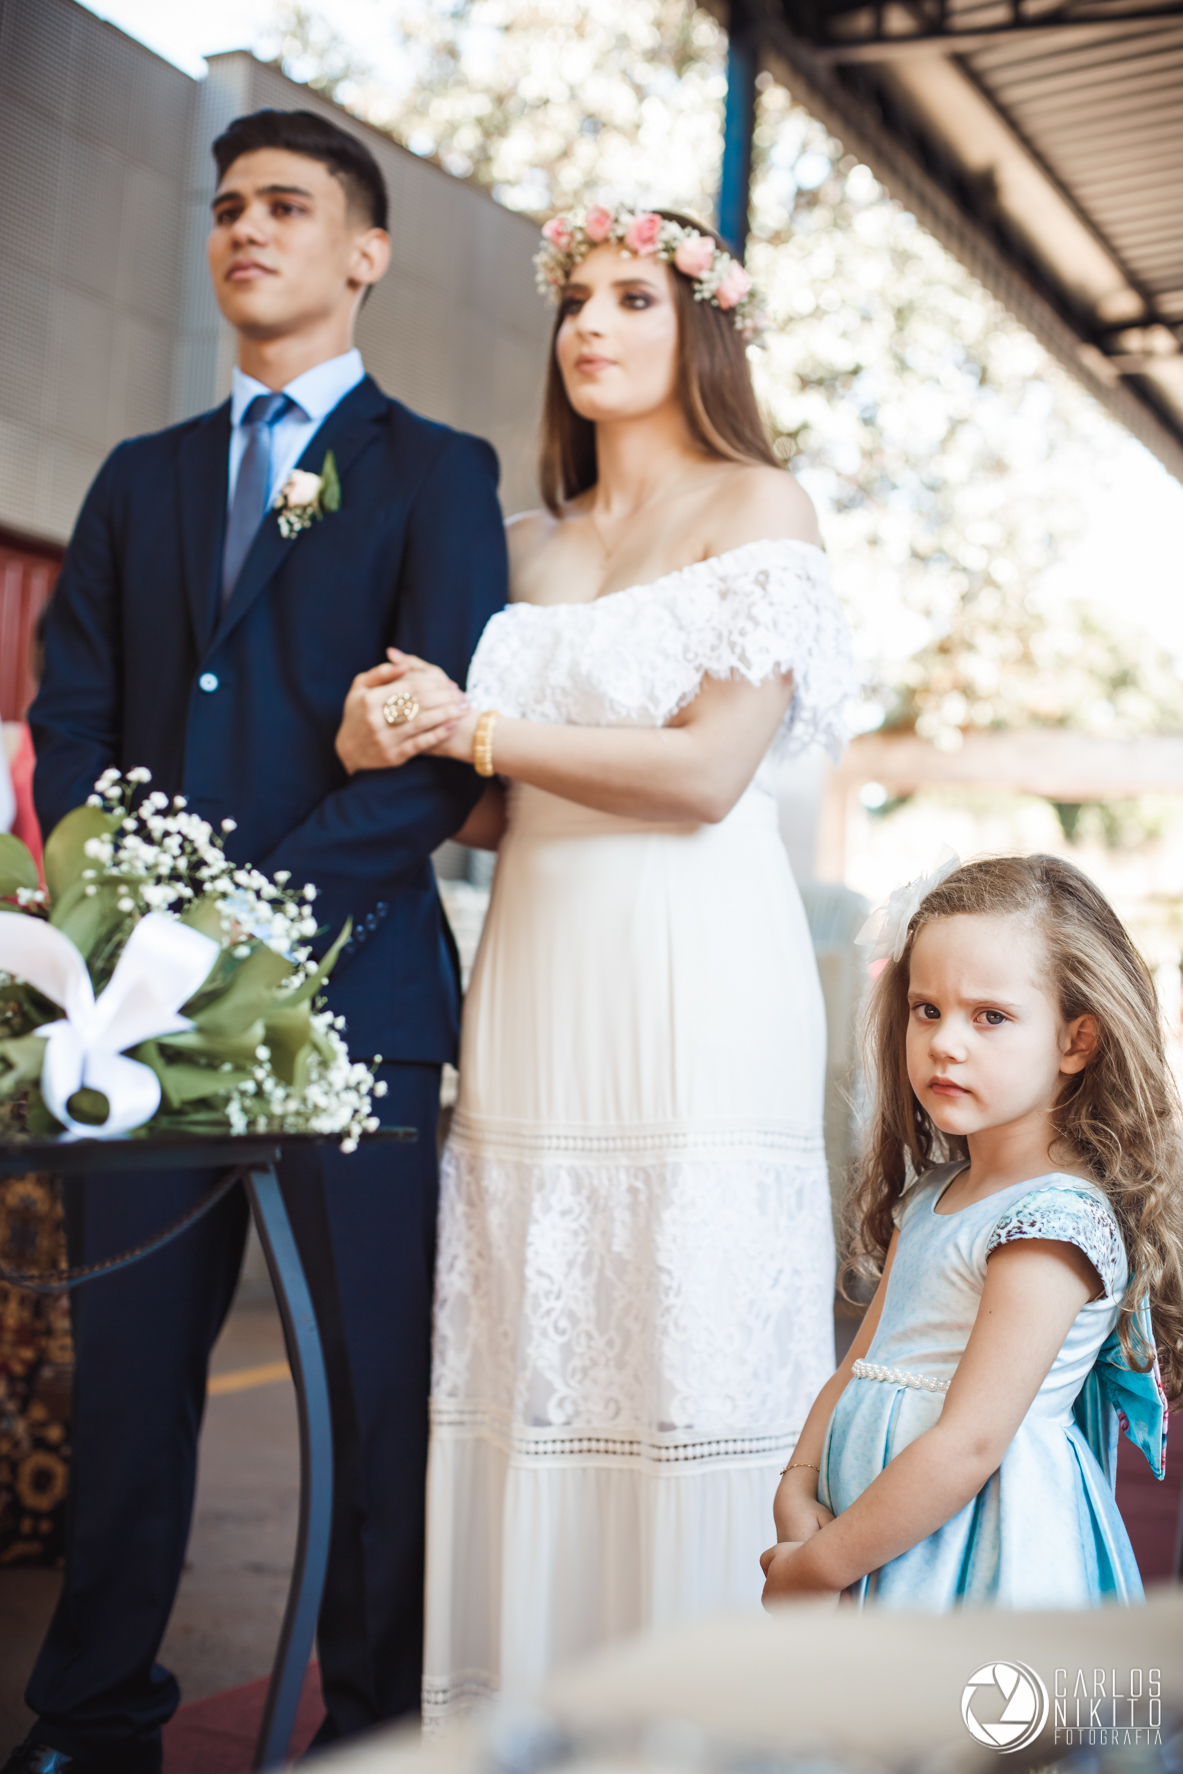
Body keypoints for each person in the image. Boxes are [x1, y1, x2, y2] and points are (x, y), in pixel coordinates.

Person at [11, 108, 506, 1773]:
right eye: (228, 206)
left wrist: (250, 925)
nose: (246, 228)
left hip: (352, 1003)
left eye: (286, 205)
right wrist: (136, 913)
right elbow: (71, 718)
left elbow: (437, 751)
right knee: (130, 1399)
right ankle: (88, 1720)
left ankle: (374, 1728)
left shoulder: (436, 474)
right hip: (141, 1011)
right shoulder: (139, 479)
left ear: (363, 249)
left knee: (372, 1407)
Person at [335, 205, 858, 1716]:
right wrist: (383, 737)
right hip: (539, 961)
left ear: (696, 327)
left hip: (695, 967)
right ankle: (526, 1717)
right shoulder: (515, 542)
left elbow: (704, 773)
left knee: (681, 1344)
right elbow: (479, 801)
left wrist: (472, 724)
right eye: (577, 300)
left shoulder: (764, 510)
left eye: (633, 296)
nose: (592, 326)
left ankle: (700, 1725)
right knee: (534, 1349)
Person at [761, 853, 1183, 1610]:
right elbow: (855, 1366)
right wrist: (796, 1491)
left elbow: (971, 1444)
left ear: (1075, 1041)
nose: (945, 1042)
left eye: (989, 1016)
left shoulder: (1049, 1224)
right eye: (928, 1009)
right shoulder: (932, 1196)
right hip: (869, 1544)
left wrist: (821, 1564)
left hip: (977, 1554)